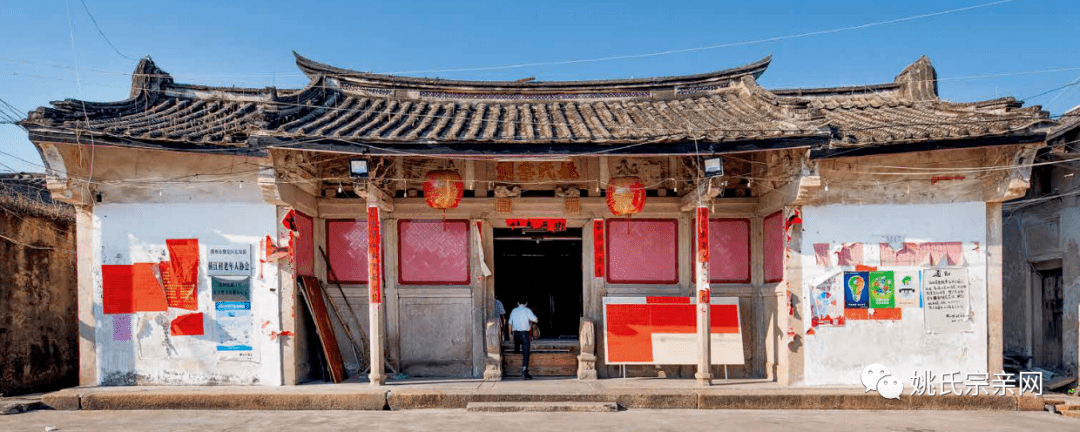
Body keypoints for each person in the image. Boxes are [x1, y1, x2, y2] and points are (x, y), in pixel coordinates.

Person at [508, 297, 538, 379]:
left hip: (516, 334)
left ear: (518, 303)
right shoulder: (527, 310)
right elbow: (535, 319)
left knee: (517, 346)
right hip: (524, 333)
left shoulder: (514, 311)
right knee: (526, 352)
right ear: (526, 303)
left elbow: (510, 323)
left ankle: (516, 353)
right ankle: (524, 371)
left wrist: (510, 334)